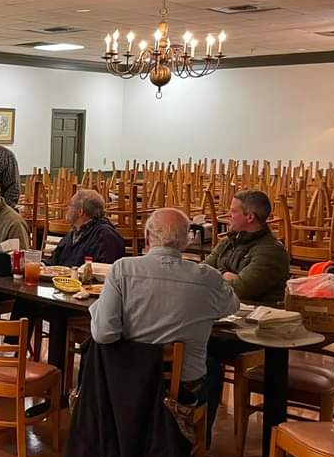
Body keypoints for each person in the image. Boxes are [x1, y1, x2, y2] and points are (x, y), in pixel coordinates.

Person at [89, 208, 239, 410]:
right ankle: (193, 428)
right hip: (183, 388)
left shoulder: (122, 269)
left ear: (147, 237)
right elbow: (232, 306)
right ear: (187, 241)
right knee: (212, 370)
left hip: (127, 381)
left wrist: (97, 308)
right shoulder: (208, 277)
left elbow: (104, 334)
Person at [202, 189, 291, 440]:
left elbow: (240, 289)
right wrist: (226, 276)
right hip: (224, 323)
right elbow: (201, 273)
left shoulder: (270, 251)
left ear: (250, 217)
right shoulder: (230, 240)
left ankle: (199, 439)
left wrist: (221, 276)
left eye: (233, 211)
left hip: (254, 333)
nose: (227, 215)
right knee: (183, 344)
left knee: (200, 356)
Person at [48, 189, 126, 266]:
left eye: (70, 205)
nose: (67, 208)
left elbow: (105, 269)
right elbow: (53, 261)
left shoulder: (105, 235)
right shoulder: (73, 233)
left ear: (80, 211)